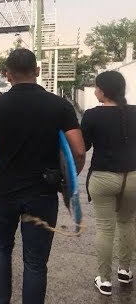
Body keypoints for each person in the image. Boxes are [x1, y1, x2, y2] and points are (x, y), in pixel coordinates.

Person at [0, 48, 85, 304]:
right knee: (35, 262)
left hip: (3, 194)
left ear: (8, 75)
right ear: (38, 71)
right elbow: (78, 149)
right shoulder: (60, 106)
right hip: (42, 195)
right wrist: (69, 180)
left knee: (1, 248)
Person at [81, 71, 136, 295]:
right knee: (127, 222)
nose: (94, 90)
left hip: (103, 178)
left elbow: (83, 147)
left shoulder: (92, 115)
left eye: (96, 87)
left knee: (105, 227)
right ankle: (125, 270)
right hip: (133, 177)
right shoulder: (135, 112)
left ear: (103, 90)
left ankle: (104, 280)